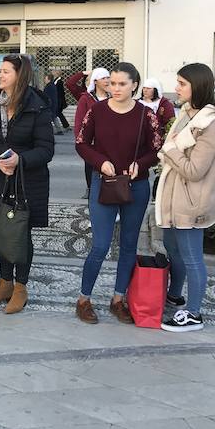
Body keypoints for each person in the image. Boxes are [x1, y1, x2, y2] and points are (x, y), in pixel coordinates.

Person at [75, 62, 162, 324]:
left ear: (134, 85)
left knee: (128, 245)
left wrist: (142, 163)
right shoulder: (97, 111)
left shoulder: (146, 115)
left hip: (136, 186)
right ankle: (83, 299)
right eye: (112, 83)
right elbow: (81, 143)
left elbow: (156, 149)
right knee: (100, 246)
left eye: (122, 84)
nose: (115, 88)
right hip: (104, 183)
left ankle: (118, 298)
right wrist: (99, 161)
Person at [0, 55, 54, 314]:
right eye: (0, 71)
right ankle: (4, 284)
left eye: (6, 71)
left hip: (27, 180)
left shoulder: (36, 105)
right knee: (2, 230)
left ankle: (20, 287)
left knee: (21, 233)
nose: (1, 75)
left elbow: (46, 149)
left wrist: (20, 160)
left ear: (20, 75)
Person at [155, 63, 215, 332]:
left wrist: (171, 149)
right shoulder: (187, 114)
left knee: (191, 256)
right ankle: (174, 295)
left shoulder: (209, 124)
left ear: (197, 86)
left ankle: (194, 312)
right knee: (173, 249)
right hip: (174, 198)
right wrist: (172, 150)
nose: (176, 88)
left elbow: (194, 170)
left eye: (182, 84)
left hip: (192, 201)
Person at [74, 67, 111, 199]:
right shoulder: (86, 98)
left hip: (110, 144)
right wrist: (82, 142)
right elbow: (79, 121)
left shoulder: (113, 97)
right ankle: (93, 200)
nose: (107, 81)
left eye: (108, 77)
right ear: (95, 81)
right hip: (92, 144)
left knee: (110, 176)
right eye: (103, 78)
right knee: (93, 175)